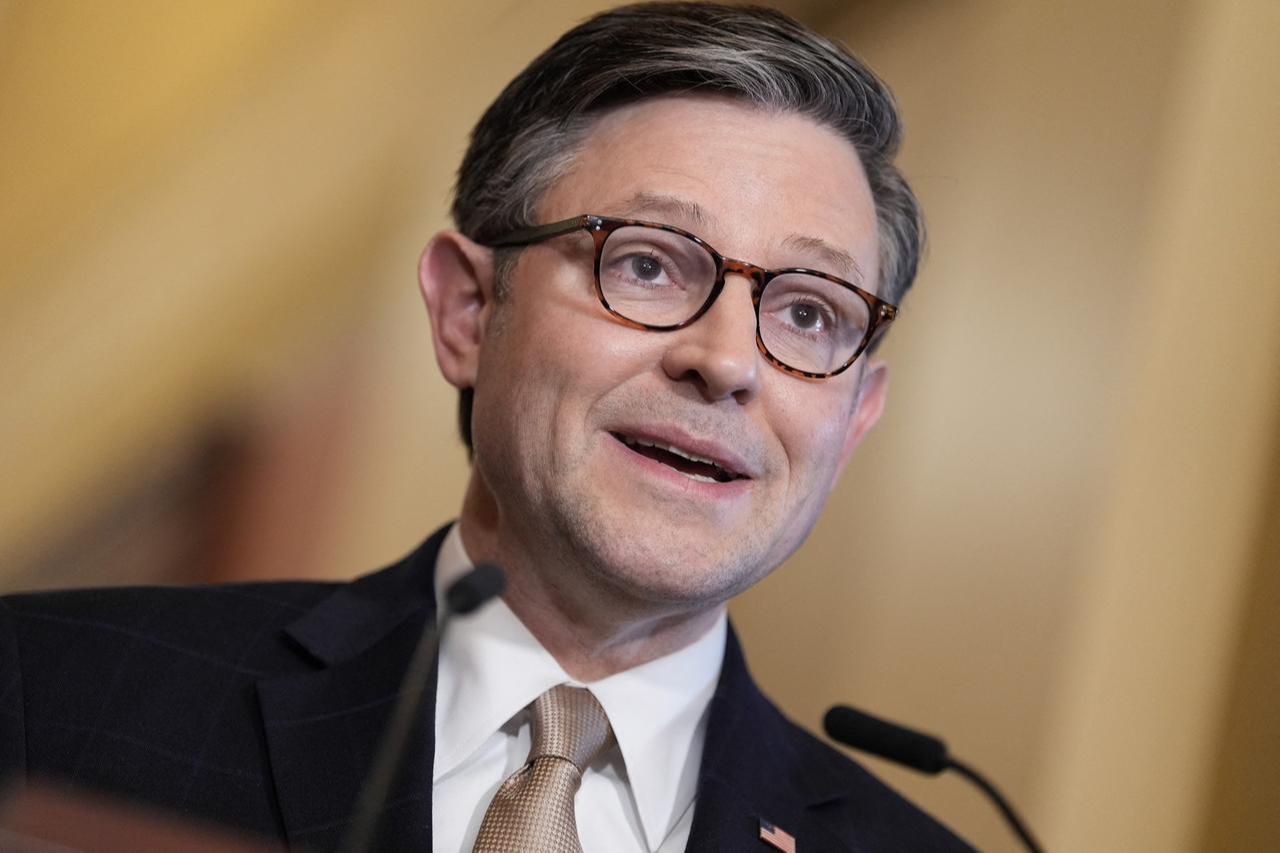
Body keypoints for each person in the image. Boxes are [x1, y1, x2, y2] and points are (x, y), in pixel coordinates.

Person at [0, 3, 972, 851]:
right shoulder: (48, 698)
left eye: (808, 313)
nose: (723, 361)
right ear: (468, 311)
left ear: (852, 422)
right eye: (646, 263)